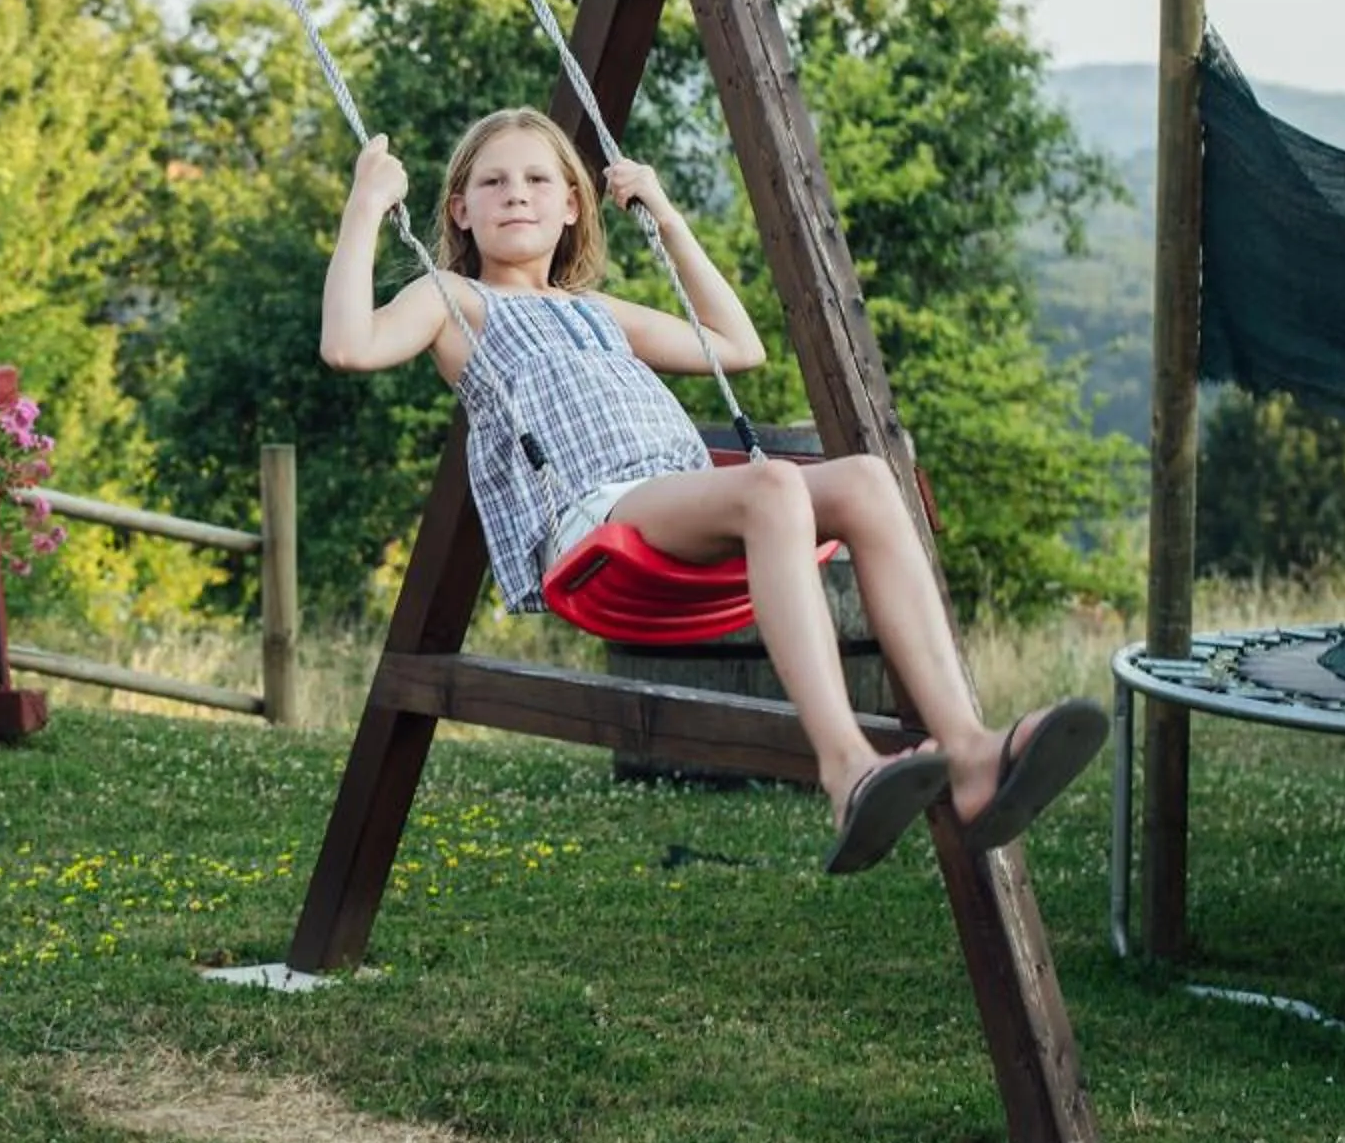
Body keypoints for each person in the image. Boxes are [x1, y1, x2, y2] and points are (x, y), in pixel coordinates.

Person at [317, 107, 1105, 874]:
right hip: (594, 522)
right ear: (459, 209)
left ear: (569, 206)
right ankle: (844, 767)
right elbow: (349, 346)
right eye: (491, 183)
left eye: (535, 179)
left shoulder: (598, 312)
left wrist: (663, 213)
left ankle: (970, 755)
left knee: (867, 480)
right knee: (771, 488)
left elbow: (738, 344)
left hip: (680, 497)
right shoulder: (454, 302)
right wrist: (365, 206)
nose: (515, 194)